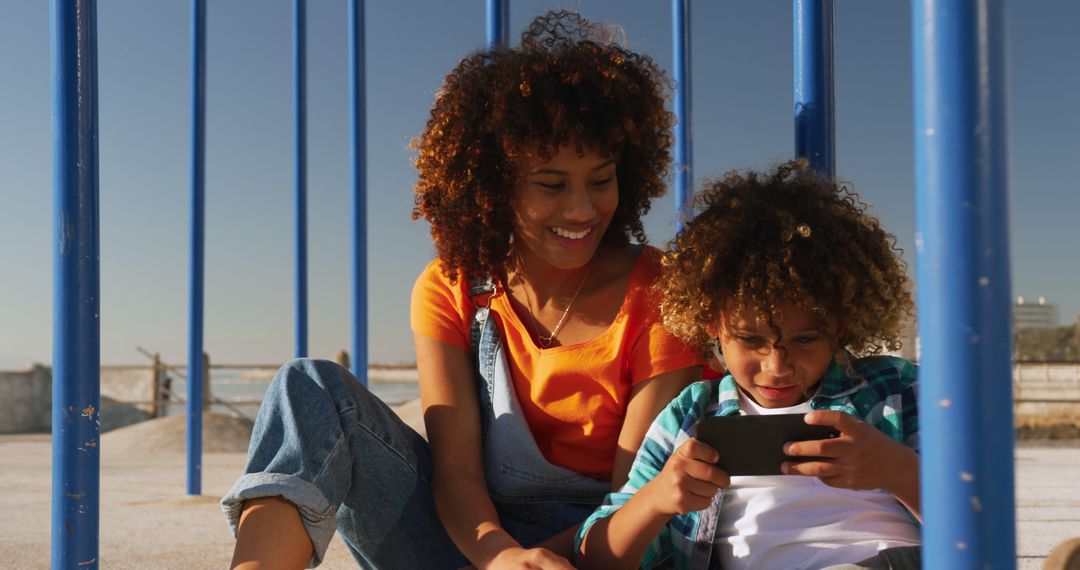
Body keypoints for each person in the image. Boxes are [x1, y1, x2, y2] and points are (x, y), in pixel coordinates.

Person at [222, 11, 702, 569]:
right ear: (492, 187)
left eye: (601, 179)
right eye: (551, 184)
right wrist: (500, 557)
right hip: (476, 544)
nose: (581, 209)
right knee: (308, 385)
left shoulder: (661, 290)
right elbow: (456, 474)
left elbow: (635, 502)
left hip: (609, 550)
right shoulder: (453, 287)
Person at [574, 161, 922, 570]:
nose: (777, 367)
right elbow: (596, 558)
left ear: (841, 326)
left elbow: (982, 520)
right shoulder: (690, 416)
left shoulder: (893, 389)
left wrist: (897, 470)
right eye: (752, 340)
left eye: (805, 340)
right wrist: (657, 500)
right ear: (713, 325)